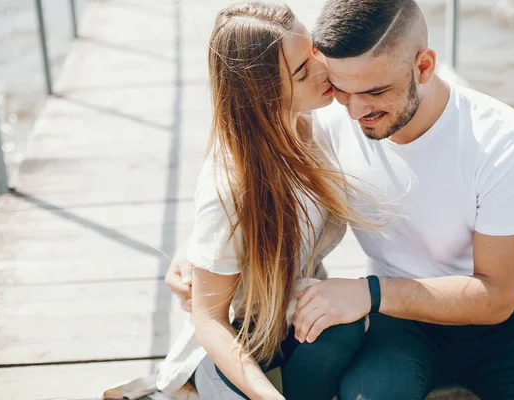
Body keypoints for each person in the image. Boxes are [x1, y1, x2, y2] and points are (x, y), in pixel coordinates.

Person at [168, 0, 514, 399]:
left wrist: (370, 292)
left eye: (375, 92)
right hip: (401, 322)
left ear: (424, 66)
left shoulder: (502, 139)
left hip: (499, 315)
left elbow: (496, 297)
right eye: (342, 88)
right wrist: (198, 250)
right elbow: (244, 175)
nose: (356, 110)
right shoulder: (328, 120)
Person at [157, 2, 384, 400]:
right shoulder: (228, 187)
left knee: (344, 328)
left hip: (292, 312)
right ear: (263, 94)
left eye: (313, 50)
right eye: (301, 71)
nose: (322, 69)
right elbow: (210, 320)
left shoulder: (310, 123)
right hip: (239, 337)